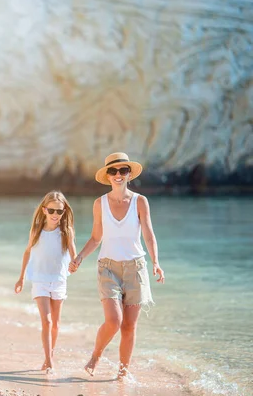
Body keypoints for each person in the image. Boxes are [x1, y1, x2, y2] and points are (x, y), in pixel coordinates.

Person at [69, 152, 165, 379]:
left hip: (136, 268)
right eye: (113, 171)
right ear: (108, 176)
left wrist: (156, 263)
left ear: (129, 173)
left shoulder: (140, 201)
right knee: (114, 321)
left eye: (123, 170)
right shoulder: (99, 203)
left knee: (129, 327)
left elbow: (149, 236)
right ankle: (96, 354)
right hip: (108, 268)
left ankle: (122, 372)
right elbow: (95, 238)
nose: (118, 175)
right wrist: (79, 257)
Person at [15, 191, 77, 373]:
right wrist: (21, 278)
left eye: (59, 211)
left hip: (58, 280)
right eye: (51, 211)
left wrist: (75, 264)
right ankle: (49, 361)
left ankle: (50, 355)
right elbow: (27, 252)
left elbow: (74, 254)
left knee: (56, 324)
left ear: (64, 212)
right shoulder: (36, 230)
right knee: (47, 322)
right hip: (39, 280)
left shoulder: (66, 231)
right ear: (44, 210)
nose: (55, 215)